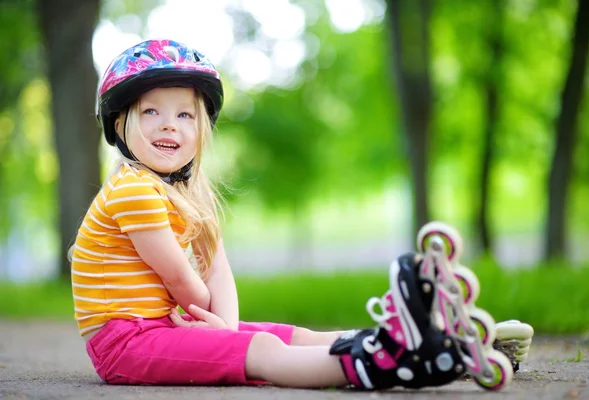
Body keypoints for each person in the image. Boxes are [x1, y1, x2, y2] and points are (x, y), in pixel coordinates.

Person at [70, 39, 531, 390]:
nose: (169, 124)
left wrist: (227, 328)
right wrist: (221, 331)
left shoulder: (190, 195)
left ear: (201, 129)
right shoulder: (131, 189)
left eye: (185, 115)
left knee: (294, 335)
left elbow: (217, 270)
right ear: (120, 124)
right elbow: (181, 281)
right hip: (124, 342)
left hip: (164, 327)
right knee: (265, 350)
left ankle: (416, 338)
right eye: (151, 111)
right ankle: (377, 361)